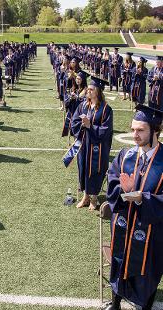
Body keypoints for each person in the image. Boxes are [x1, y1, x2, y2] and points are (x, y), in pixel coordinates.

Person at [105, 104, 163, 310]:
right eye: (132, 130)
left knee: (147, 270)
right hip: (123, 225)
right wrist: (121, 189)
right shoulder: (125, 156)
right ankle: (115, 303)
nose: (135, 135)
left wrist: (141, 198)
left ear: (156, 130)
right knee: (119, 261)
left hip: (152, 233)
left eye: (140, 130)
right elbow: (111, 183)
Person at [63, 76, 113, 210]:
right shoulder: (83, 105)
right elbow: (74, 122)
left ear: (98, 91)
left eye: (91, 89)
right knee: (83, 168)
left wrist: (90, 126)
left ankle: (94, 198)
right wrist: (82, 125)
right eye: (88, 89)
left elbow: (106, 130)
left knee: (95, 170)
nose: (88, 91)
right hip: (84, 145)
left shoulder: (106, 109)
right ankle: (85, 196)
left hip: (98, 147)